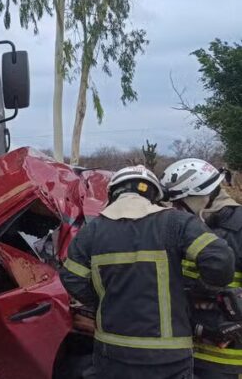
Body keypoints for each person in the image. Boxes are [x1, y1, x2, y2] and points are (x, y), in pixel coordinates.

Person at [60, 165, 235, 379]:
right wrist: (197, 291)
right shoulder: (176, 223)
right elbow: (220, 260)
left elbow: (71, 277)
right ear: (154, 195)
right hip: (168, 356)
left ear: (113, 194)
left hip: (112, 352)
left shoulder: (92, 231)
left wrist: (105, 299)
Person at [162, 158, 242, 379]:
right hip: (187, 356)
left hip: (228, 362)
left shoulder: (239, 228)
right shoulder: (189, 229)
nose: (176, 210)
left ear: (201, 196)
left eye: (179, 203)